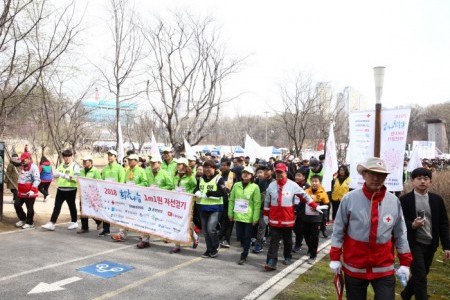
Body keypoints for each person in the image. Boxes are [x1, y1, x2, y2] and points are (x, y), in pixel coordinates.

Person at [329, 157, 412, 299]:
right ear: (364, 174)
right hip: (354, 267)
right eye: (371, 173)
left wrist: (405, 262)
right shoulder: (349, 199)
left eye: (381, 174)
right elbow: (338, 230)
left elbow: (400, 233)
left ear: (385, 177)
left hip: (383, 268)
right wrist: (335, 257)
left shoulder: (394, 201)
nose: (376, 178)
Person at [263, 163, 326, 271]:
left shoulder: (292, 185)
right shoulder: (271, 186)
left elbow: (304, 196)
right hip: (274, 219)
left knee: (288, 240)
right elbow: (267, 201)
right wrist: (265, 214)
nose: (279, 175)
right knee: (274, 241)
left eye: (281, 172)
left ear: (285, 172)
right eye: (277, 172)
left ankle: (287, 256)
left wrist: (315, 206)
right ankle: (271, 262)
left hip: (287, 219)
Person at [399, 167, 450, 300]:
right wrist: (412, 225)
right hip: (413, 244)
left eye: (426, 179)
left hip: (431, 243)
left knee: (421, 273)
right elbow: (399, 222)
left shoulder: (436, 200)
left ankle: (406, 294)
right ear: (412, 181)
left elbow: (443, 223)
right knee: (420, 276)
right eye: (419, 178)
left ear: (430, 182)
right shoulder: (404, 200)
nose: (422, 181)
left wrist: (446, 246)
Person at [228, 166, 261, 265]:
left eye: (248, 173)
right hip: (238, 215)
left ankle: (244, 255)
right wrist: (230, 213)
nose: (245, 175)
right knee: (240, 237)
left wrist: (255, 217)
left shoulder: (255, 187)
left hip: (249, 217)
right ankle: (246, 245)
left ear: (252, 176)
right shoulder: (236, 185)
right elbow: (232, 200)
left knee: (247, 237)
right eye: (244, 173)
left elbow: (257, 203)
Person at [42, 149, 81, 231]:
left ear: (71, 157)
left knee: (71, 206)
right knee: (57, 206)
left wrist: (64, 175)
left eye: (68, 157)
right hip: (60, 189)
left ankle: (74, 222)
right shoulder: (61, 165)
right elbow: (56, 174)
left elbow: (76, 178)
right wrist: (56, 175)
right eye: (65, 157)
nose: (67, 158)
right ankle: (52, 223)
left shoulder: (75, 166)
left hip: (71, 189)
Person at [194, 160, 226, 258]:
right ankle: (209, 249)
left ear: (214, 168)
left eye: (209, 167)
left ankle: (215, 246)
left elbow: (222, 192)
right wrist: (196, 192)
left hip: (215, 208)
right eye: (205, 167)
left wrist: (209, 193)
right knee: (205, 231)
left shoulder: (219, 178)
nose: (207, 170)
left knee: (211, 229)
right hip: (203, 207)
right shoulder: (201, 178)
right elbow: (197, 189)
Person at [170, 158, 198, 253]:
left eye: (180, 164)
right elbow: (173, 187)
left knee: (186, 223)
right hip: (176, 202)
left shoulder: (190, 177)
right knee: (176, 222)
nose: (178, 165)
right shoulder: (175, 176)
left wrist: (186, 193)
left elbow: (194, 188)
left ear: (185, 166)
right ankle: (177, 245)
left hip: (187, 203)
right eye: (177, 164)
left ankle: (195, 237)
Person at [303, 175, 329, 263]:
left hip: (317, 219)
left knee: (314, 237)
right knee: (306, 235)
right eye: (312, 181)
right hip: (306, 218)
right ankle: (310, 248)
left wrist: (323, 216)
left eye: (316, 181)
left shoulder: (323, 193)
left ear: (320, 183)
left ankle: (313, 255)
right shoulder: (306, 191)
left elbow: (327, 206)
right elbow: (302, 203)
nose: (314, 183)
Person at [100, 149, 125, 237]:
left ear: (115, 157)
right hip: (106, 194)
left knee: (118, 213)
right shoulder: (105, 168)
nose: (109, 157)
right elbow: (101, 180)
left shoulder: (119, 168)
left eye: (112, 155)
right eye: (109, 155)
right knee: (105, 211)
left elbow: (122, 181)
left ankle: (122, 231)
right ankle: (106, 230)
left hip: (116, 194)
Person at [14, 152, 40, 229]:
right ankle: (22, 219)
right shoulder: (22, 165)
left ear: (29, 159)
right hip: (21, 191)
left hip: (30, 192)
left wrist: (32, 190)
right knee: (17, 204)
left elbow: (37, 180)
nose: (22, 161)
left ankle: (30, 222)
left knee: (29, 207)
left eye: (24, 160)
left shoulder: (34, 167)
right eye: (22, 160)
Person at [78, 155, 102, 234]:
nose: (84, 162)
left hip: (92, 194)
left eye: (86, 161)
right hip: (83, 194)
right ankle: (84, 227)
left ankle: (99, 222)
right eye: (83, 161)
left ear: (91, 162)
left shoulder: (95, 171)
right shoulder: (81, 171)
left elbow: (99, 182)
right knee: (82, 210)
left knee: (91, 210)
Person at [219, 159, 236, 248]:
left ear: (229, 166)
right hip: (220, 200)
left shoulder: (233, 176)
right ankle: (221, 235)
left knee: (229, 220)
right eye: (222, 165)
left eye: (224, 165)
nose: (223, 167)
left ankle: (227, 238)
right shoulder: (219, 175)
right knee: (222, 219)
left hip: (230, 201)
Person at [292, 169, 310, 253]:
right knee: (294, 227)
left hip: (302, 210)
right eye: (296, 175)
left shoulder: (307, 186)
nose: (297, 177)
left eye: (299, 175)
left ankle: (298, 244)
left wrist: (298, 210)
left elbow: (306, 200)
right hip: (292, 208)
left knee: (299, 228)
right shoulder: (292, 185)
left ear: (304, 177)